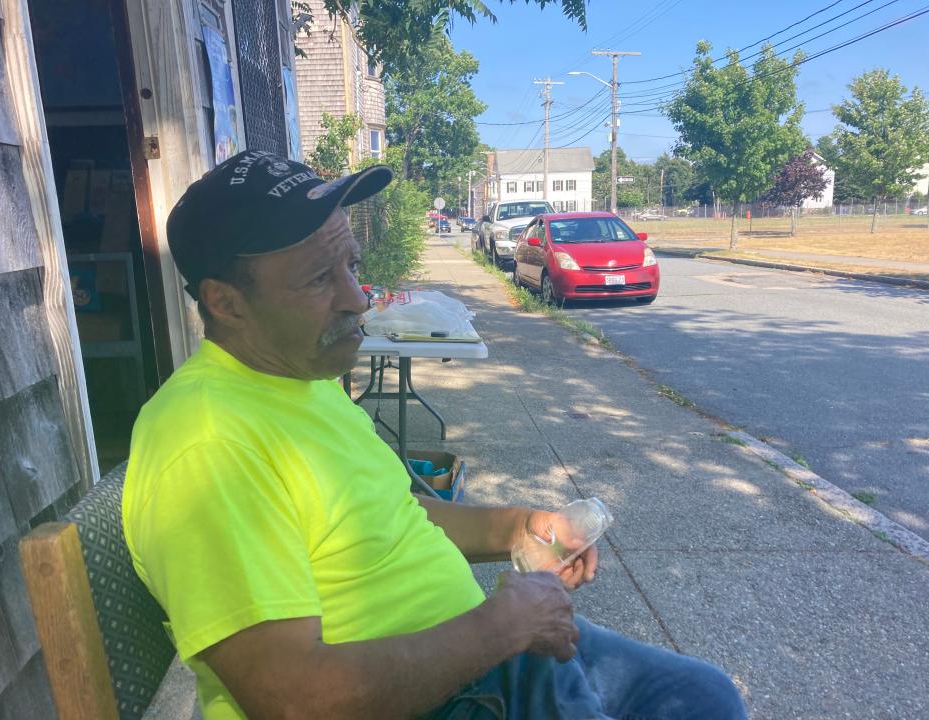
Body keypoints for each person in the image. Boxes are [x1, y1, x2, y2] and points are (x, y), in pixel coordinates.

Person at [123, 150, 748, 720]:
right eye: (319, 280)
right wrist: (502, 628)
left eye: (352, 266)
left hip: (475, 663)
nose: (358, 299)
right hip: (435, 696)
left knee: (701, 696)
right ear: (226, 303)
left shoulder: (299, 377)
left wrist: (524, 528)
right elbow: (294, 700)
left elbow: (389, 516)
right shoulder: (207, 447)